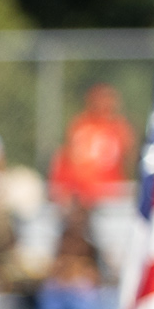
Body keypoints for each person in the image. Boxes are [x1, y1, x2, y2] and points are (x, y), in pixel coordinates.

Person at [50, 82, 133, 213]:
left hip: (110, 190)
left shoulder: (119, 127)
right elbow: (70, 159)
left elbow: (128, 161)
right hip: (83, 191)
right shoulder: (81, 124)